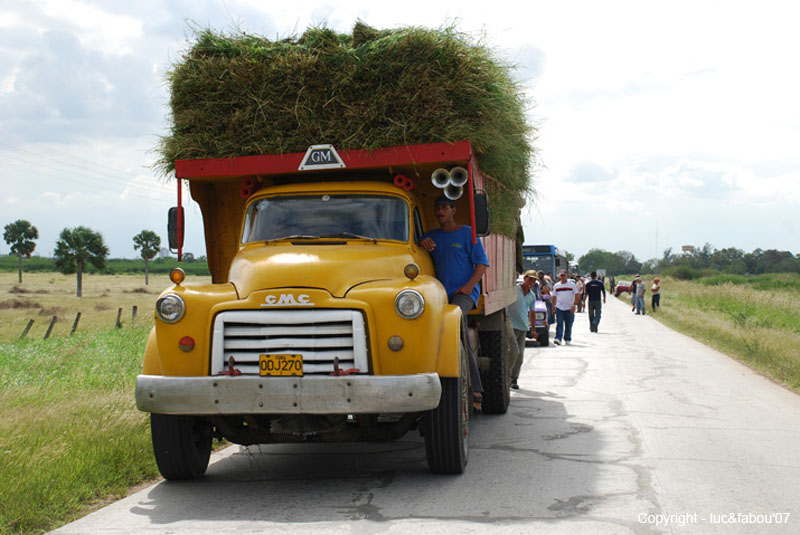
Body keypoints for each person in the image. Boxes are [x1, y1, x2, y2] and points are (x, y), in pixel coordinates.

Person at [419, 195, 489, 411]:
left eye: (444, 207)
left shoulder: (467, 233)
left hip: (464, 294)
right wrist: (421, 243)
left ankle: (476, 388)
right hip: (439, 295)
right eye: (437, 208)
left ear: (453, 210)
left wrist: (469, 287)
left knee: (456, 330)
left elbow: (482, 265)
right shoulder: (431, 237)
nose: (440, 212)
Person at [506, 272, 537, 389]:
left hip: (523, 327)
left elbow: (532, 313)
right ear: (525, 278)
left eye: (533, 282)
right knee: (514, 351)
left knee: (520, 357)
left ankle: (514, 379)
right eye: (530, 280)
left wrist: (533, 330)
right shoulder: (514, 290)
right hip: (510, 325)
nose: (531, 283)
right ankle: (507, 377)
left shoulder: (532, 296)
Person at [552, 270, 580, 345]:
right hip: (559, 308)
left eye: (564, 275)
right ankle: (558, 338)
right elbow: (554, 296)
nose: (563, 277)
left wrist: (574, 305)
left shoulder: (571, 285)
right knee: (559, 323)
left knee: (568, 324)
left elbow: (577, 294)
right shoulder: (556, 285)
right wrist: (553, 306)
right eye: (561, 275)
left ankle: (567, 338)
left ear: (567, 276)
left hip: (569, 308)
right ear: (559, 276)